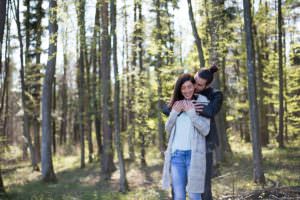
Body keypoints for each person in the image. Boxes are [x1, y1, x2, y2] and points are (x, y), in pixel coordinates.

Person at [162, 65, 223, 200]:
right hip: (179, 150)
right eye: (194, 80)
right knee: (178, 191)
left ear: (206, 86)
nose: (194, 86)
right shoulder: (186, 89)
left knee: (202, 188)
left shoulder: (214, 95)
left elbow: (211, 111)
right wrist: (179, 108)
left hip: (204, 145)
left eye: (198, 85)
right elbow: (167, 108)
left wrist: (192, 108)